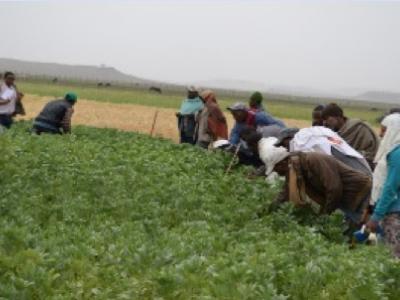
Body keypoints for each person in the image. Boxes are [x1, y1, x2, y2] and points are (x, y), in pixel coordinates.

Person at [260, 138, 372, 224]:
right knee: (350, 226)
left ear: (283, 163)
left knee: (358, 226)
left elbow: (334, 188)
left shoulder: (313, 160)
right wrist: (267, 211)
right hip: (344, 197)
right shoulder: (294, 169)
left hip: (358, 192)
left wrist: (325, 215)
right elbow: (285, 193)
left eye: (276, 168)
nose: (277, 173)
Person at [366, 113, 400, 258]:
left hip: (394, 213)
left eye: (384, 129)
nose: (380, 133)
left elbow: (390, 187)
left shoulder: (397, 154)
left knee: (393, 257)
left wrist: (376, 216)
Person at [276, 126, 371, 175]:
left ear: (290, 138)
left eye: (284, 144)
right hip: (364, 171)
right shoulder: (317, 133)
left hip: (353, 178)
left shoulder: (300, 140)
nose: (285, 149)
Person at [321, 103, 379, 168]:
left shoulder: (359, 128)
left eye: (326, 119)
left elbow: (371, 152)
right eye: (323, 120)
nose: (324, 123)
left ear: (337, 117)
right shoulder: (332, 133)